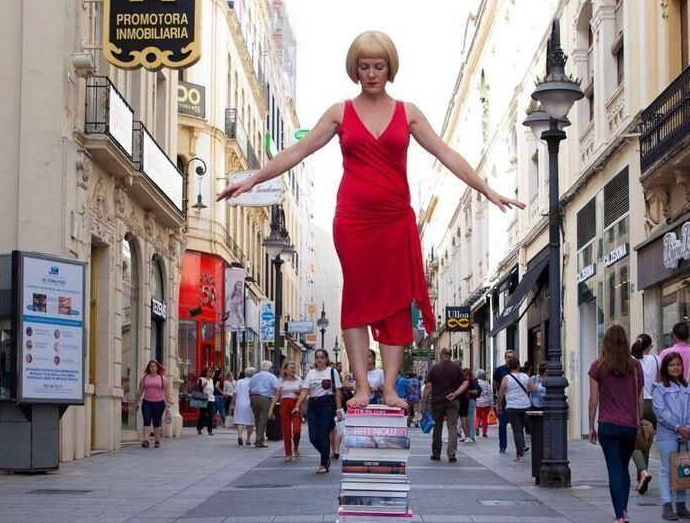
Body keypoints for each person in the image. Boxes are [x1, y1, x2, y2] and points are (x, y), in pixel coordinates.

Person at [218, 31, 521, 410]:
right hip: (354, 221)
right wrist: (253, 179)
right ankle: (362, 387)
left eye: (379, 66)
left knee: (396, 303)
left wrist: (486, 188)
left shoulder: (407, 112)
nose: (371, 73)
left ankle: (390, 388)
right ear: (354, 69)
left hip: (395, 219)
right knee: (357, 299)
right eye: (364, 66)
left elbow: (446, 153)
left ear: (390, 68)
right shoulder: (339, 112)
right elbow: (298, 150)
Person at [587, 324, 645, 523]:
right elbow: (639, 400)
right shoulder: (635, 367)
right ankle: (624, 510)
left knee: (614, 470)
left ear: (606, 342)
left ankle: (619, 517)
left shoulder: (598, 366)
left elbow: (593, 400)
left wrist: (591, 426)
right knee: (624, 467)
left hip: (608, 425)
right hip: (630, 425)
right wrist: (638, 423)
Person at [651, 350, 690, 521]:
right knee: (666, 469)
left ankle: (681, 504)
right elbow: (659, 411)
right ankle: (666, 505)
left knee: (683, 468)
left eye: (678, 364)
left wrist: (689, 427)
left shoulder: (689, 388)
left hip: (687, 434)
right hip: (668, 434)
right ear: (665, 367)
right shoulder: (659, 388)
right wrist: (678, 427)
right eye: (672, 365)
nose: (675, 367)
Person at [298, 350, 343, 473]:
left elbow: (338, 391)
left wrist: (339, 409)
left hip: (327, 404)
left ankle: (323, 463)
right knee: (313, 437)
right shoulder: (310, 373)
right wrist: (298, 405)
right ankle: (326, 454)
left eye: (322, 357)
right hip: (313, 404)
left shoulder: (332, 372)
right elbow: (305, 390)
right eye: (317, 357)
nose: (319, 360)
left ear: (326, 359)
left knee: (322, 433)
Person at [423, 347, 468, 463]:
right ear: (451, 355)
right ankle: (452, 454)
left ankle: (436, 454)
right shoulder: (457, 368)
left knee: (437, 427)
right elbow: (465, 382)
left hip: (437, 402)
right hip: (453, 401)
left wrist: (423, 403)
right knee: (452, 427)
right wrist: (456, 393)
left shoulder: (434, 368)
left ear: (441, 354)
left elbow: (428, 386)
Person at [631, 334, 659, 497]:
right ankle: (642, 476)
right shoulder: (656, 359)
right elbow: (660, 378)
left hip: (636, 402)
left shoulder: (630, 360)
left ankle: (642, 474)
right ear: (650, 346)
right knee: (646, 441)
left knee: (633, 440)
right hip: (653, 403)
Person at [498, 357, 534, 461]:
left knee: (517, 431)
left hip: (512, 407)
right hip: (526, 407)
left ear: (508, 366)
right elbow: (532, 389)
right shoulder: (526, 377)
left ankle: (520, 454)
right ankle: (521, 447)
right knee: (520, 429)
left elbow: (501, 394)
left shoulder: (506, 378)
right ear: (518, 366)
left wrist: (499, 406)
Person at [137, 360, 173, 448]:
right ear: (148, 368)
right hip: (146, 402)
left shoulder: (162, 379)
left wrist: (168, 406)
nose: (152, 368)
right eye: (151, 366)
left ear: (157, 368)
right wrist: (136, 401)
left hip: (159, 403)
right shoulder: (144, 378)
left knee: (156, 422)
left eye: (154, 366)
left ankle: (157, 441)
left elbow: (167, 394)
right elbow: (140, 391)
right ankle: (146, 441)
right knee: (146, 420)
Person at [277, 359, 304, 461]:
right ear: (285, 370)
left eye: (294, 368)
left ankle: (296, 448)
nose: (293, 370)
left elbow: (304, 394)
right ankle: (288, 453)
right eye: (291, 368)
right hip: (284, 404)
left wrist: (300, 392)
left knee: (297, 430)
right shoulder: (281, 381)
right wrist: (271, 409)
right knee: (286, 430)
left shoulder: (299, 380)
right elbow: (276, 396)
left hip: (295, 404)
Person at [248, 359, 278, 449]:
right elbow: (276, 388)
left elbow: (249, 388)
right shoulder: (272, 377)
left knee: (257, 418)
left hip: (253, 397)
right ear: (269, 368)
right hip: (265, 398)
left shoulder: (255, 376)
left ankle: (258, 438)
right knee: (263, 419)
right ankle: (259, 440)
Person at [493, 349, 518, 453]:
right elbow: (495, 384)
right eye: (508, 357)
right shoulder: (499, 370)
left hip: (515, 400)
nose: (510, 359)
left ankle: (520, 446)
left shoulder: (519, 370)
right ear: (505, 358)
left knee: (517, 425)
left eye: (512, 357)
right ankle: (502, 446)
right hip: (503, 400)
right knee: (502, 424)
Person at [232, 366, 258, 446]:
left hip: (239, 402)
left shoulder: (239, 381)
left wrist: (232, 403)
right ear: (253, 374)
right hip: (250, 403)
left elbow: (235, 393)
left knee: (240, 420)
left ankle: (240, 435)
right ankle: (248, 439)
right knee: (251, 422)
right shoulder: (254, 382)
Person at [460, 369, 480, 444]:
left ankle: (471, 436)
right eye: (465, 375)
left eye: (468, 375)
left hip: (471, 400)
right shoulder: (463, 381)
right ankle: (467, 436)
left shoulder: (473, 381)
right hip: (465, 400)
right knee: (465, 418)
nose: (466, 376)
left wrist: (467, 391)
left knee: (470, 418)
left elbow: (476, 391)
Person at [474, 369, 494, 439]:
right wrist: (492, 403)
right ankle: (484, 433)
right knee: (485, 418)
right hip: (486, 402)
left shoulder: (476, 383)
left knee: (478, 416)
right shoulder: (487, 384)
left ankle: (476, 425)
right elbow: (490, 394)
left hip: (478, 401)